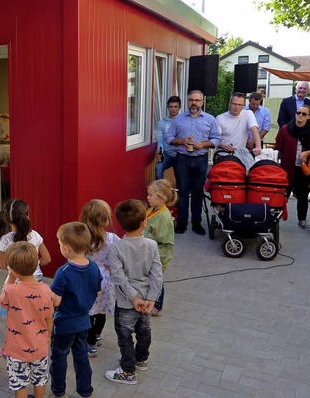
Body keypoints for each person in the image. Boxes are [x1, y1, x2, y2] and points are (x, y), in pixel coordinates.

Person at [104, 200, 163, 385]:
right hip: (146, 300)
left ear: (121, 224)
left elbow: (119, 277)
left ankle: (127, 371)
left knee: (125, 335)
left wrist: (133, 297)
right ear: (144, 223)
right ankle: (141, 360)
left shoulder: (116, 247)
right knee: (144, 331)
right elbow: (157, 275)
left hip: (125, 302)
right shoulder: (152, 245)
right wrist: (152, 299)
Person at [49, 222, 102, 398]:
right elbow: (99, 291)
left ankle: (58, 390)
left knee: (59, 357)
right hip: (84, 322)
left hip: (64, 324)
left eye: (58, 242)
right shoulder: (94, 267)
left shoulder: (63, 272)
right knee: (81, 357)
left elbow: (56, 301)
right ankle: (85, 390)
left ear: (66, 248)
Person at [0, 242, 54, 398]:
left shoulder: (11, 290)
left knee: (20, 382)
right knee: (40, 379)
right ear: (36, 264)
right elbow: (49, 317)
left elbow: (2, 302)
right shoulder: (46, 290)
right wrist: (48, 337)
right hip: (40, 346)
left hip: (16, 348)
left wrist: (10, 277)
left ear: (13, 270)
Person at [166, 90, 221, 235]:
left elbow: (217, 139)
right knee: (183, 192)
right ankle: (182, 224)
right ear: (187, 101)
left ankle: (197, 224)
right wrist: (181, 141)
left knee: (197, 192)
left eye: (197, 100)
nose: (194, 103)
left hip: (200, 159)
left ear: (202, 102)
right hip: (182, 159)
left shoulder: (210, 119)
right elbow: (169, 138)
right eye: (191, 100)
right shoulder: (178, 119)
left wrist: (203, 144)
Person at [79, 199, 120, 357]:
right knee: (101, 311)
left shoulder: (82, 238)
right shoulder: (113, 238)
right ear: (105, 220)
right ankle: (97, 335)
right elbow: (120, 256)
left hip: (87, 278)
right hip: (106, 280)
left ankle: (90, 343)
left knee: (89, 311)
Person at [0, 199, 51, 285]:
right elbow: (47, 259)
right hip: (35, 277)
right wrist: (34, 264)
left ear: (6, 218)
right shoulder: (35, 235)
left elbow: (3, 265)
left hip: (14, 280)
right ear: (27, 216)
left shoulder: (5, 240)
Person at [143, 180, 177, 316]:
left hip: (160, 254)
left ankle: (157, 305)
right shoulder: (152, 209)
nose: (147, 197)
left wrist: (144, 234)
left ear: (161, 198)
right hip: (150, 252)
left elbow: (161, 239)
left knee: (156, 279)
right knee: (152, 278)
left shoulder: (164, 217)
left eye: (150, 195)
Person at [275, 104, 310, 230]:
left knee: (303, 195)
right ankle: (275, 218)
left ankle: (302, 220)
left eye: (304, 114)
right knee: (281, 194)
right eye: (298, 112)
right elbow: (278, 147)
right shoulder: (285, 129)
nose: (300, 115)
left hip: (304, 169)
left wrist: (308, 152)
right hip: (287, 168)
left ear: (309, 116)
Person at [216, 92, 262, 169]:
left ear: (244, 106)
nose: (236, 107)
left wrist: (258, 146)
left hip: (242, 153)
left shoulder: (248, 114)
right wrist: (223, 145)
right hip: (224, 154)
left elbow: (254, 129)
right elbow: (215, 139)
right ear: (230, 103)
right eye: (234, 104)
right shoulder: (220, 118)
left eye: (240, 105)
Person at [155, 96, 181, 181]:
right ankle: (159, 192)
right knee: (158, 168)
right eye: (171, 107)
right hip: (167, 154)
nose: (173, 109)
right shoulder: (162, 123)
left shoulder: (184, 121)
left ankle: (182, 193)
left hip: (181, 155)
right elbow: (160, 140)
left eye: (175, 107)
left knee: (181, 177)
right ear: (167, 107)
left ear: (179, 107)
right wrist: (160, 152)